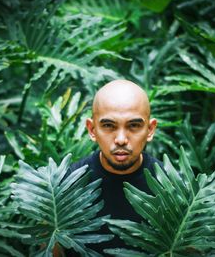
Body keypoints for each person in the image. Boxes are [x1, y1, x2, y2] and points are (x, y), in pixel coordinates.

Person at [66, 79, 162, 255]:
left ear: (150, 130)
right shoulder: (65, 186)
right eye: (109, 126)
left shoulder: (172, 187)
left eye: (133, 126)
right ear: (92, 129)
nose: (121, 139)